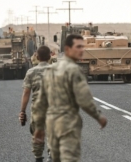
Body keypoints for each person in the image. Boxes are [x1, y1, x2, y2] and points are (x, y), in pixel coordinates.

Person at [32, 34, 107, 162]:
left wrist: (38, 127)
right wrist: (99, 117)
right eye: (78, 47)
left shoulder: (50, 70)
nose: (81, 50)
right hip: (68, 124)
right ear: (67, 49)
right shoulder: (74, 70)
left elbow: (40, 102)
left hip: (51, 125)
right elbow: (85, 99)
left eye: (82, 47)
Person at [19, 46, 52, 162]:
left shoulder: (31, 72)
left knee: (37, 133)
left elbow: (26, 93)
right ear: (50, 56)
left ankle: (38, 158)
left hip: (38, 109)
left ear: (37, 57)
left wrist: (22, 112)